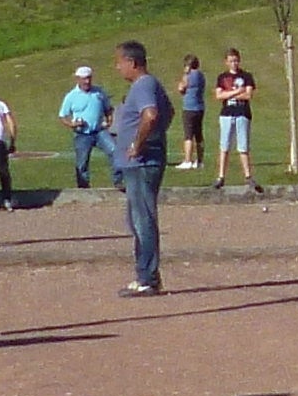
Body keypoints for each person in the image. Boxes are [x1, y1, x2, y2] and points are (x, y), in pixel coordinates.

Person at [110, 42, 171, 295]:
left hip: (142, 163)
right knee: (136, 220)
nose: (118, 67)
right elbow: (169, 113)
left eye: (120, 62)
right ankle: (145, 274)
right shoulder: (147, 86)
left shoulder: (144, 84)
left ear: (132, 62)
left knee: (142, 219)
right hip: (139, 162)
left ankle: (147, 278)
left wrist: (139, 143)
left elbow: (152, 115)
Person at [212, 48, 258, 190]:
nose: (234, 64)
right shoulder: (222, 77)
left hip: (242, 113)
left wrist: (229, 94)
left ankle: (248, 176)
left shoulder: (247, 76)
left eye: (236, 60)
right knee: (224, 145)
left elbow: (248, 95)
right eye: (231, 61)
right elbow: (219, 96)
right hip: (226, 113)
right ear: (226, 62)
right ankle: (221, 176)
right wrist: (238, 91)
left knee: (243, 146)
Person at [59, 65, 109, 189]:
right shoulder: (71, 96)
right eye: (84, 79)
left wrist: (109, 121)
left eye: (89, 78)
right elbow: (63, 116)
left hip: (98, 131)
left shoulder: (99, 92)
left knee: (114, 151)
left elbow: (108, 108)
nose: (87, 81)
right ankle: (83, 188)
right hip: (82, 134)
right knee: (82, 163)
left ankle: (119, 180)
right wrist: (72, 124)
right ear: (78, 79)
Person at [175, 56, 208, 171]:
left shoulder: (189, 76)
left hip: (189, 107)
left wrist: (184, 75)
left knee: (188, 135)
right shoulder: (201, 76)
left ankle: (188, 160)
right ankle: (200, 161)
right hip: (200, 107)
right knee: (199, 135)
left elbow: (181, 88)